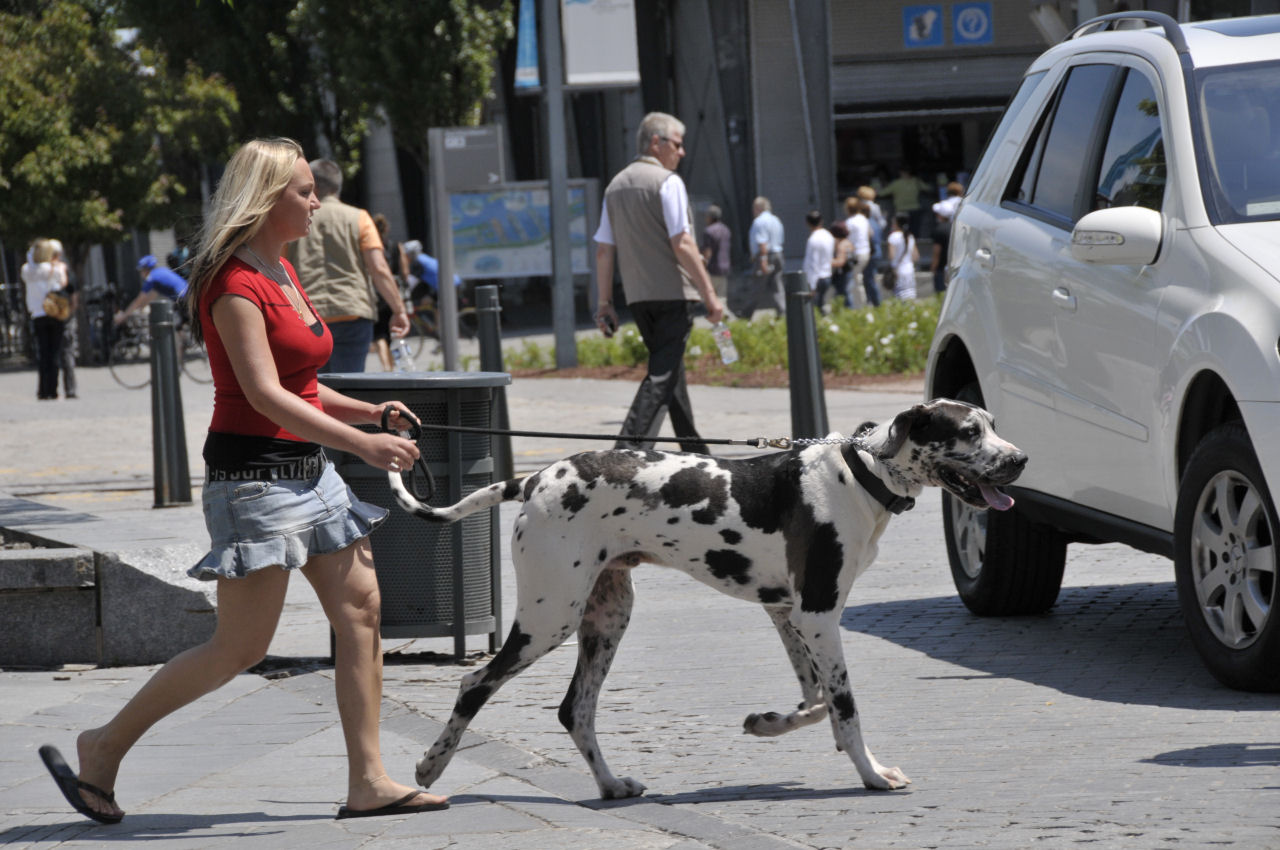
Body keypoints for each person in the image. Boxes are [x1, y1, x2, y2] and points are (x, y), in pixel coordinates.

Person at [37, 137, 448, 824]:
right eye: (303, 191)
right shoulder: (233, 282)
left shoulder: (282, 269)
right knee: (240, 647)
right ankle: (101, 747)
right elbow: (263, 395)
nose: (316, 201)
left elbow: (304, 384)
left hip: (310, 474)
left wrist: (370, 409)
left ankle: (369, 780)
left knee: (362, 613)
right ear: (266, 198)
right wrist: (364, 444)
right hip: (253, 483)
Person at [593, 111, 724, 454]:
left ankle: (696, 455)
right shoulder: (667, 182)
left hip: (638, 298)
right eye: (677, 145)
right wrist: (710, 294)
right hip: (673, 293)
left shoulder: (615, 186)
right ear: (657, 142)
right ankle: (624, 452)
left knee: (669, 371)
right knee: (662, 376)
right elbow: (682, 243)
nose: (681, 153)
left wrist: (604, 302)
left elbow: (604, 251)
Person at [285, 159, 409, 373]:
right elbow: (379, 268)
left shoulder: (293, 220)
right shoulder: (359, 218)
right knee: (349, 386)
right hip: (352, 312)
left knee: (316, 389)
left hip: (308, 314)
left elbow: (279, 265)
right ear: (338, 186)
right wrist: (399, 310)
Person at [21, 238, 66, 400]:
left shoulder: (27, 270)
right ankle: (53, 390)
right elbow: (61, 285)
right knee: (54, 353)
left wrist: (32, 252)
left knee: (42, 353)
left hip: (38, 315)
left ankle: (42, 390)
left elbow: (29, 261)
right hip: (53, 314)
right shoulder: (54, 269)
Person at [370, 214, 409, 371]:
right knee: (391, 331)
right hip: (391, 291)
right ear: (386, 229)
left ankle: (386, 366)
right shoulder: (395, 246)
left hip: (374, 292)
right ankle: (392, 366)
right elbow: (405, 271)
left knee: (378, 333)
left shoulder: (370, 245)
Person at [114, 255, 188, 328]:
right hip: (186, 295)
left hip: (183, 298)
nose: (141, 274)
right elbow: (150, 297)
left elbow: (139, 299)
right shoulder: (160, 272)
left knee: (178, 325)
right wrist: (139, 309)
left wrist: (124, 316)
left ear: (146, 269)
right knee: (179, 326)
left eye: (141, 271)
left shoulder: (152, 277)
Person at [747, 196, 785, 316]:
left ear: (758, 208)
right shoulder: (776, 219)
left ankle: (746, 314)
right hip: (778, 254)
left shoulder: (760, 221)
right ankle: (782, 312)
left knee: (757, 286)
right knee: (777, 285)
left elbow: (762, 242)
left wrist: (763, 260)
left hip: (766, 256)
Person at [50, 239, 79, 399]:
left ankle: (50, 390)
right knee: (67, 352)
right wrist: (70, 313)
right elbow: (74, 297)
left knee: (51, 352)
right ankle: (70, 389)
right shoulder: (65, 271)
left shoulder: (43, 271)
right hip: (65, 315)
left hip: (49, 316)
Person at [929, 181, 964, 294]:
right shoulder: (964, 203)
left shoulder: (939, 228)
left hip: (942, 264)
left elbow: (936, 251)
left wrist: (933, 266)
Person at [700, 204, 732, 317]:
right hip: (725, 267)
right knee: (722, 296)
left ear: (710, 217)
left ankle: (719, 317)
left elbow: (707, 252)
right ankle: (725, 316)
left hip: (713, 268)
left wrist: (702, 266)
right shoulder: (726, 230)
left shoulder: (709, 231)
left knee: (711, 295)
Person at [882, 165, 931, 238]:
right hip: (914, 209)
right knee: (914, 230)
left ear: (900, 172)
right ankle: (914, 244)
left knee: (900, 231)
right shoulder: (916, 181)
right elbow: (928, 188)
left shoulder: (896, 183)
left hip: (901, 210)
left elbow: (882, 193)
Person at [843, 197, 875, 308]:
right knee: (860, 277)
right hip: (866, 252)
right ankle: (862, 302)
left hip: (856, 254)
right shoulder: (863, 219)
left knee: (856, 280)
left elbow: (846, 238)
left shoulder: (849, 222)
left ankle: (859, 305)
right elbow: (871, 234)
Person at [802, 209, 835, 312]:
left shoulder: (813, 240)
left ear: (807, 223)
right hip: (827, 274)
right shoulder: (828, 235)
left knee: (816, 310)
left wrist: (811, 285)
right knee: (823, 305)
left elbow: (813, 264)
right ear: (821, 221)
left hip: (817, 278)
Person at [858, 186, 885, 308]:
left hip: (871, 251)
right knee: (869, 278)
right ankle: (872, 301)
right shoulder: (876, 223)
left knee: (869, 278)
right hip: (876, 249)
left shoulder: (867, 225)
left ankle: (875, 302)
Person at [887, 212, 919, 299]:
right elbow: (916, 256)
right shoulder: (910, 236)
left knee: (899, 297)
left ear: (896, 223)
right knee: (910, 296)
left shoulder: (893, 236)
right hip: (909, 270)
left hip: (898, 271)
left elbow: (891, 256)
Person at [827, 221, 854, 309]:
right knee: (846, 293)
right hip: (849, 271)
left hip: (843, 274)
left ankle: (847, 310)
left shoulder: (841, 245)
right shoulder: (848, 242)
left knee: (843, 294)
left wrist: (827, 261)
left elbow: (840, 261)